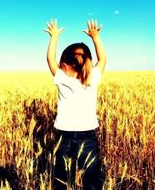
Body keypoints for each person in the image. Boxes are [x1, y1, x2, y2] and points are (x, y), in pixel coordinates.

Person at [44, 19, 107, 189]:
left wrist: (54, 36)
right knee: (91, 180)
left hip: (63, 136)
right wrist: (95, 37)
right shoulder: (92, 77)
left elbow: (50, 59)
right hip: (88, 137)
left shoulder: (62, 78)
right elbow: (103, 59)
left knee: (61, 179)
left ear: (64, 64)